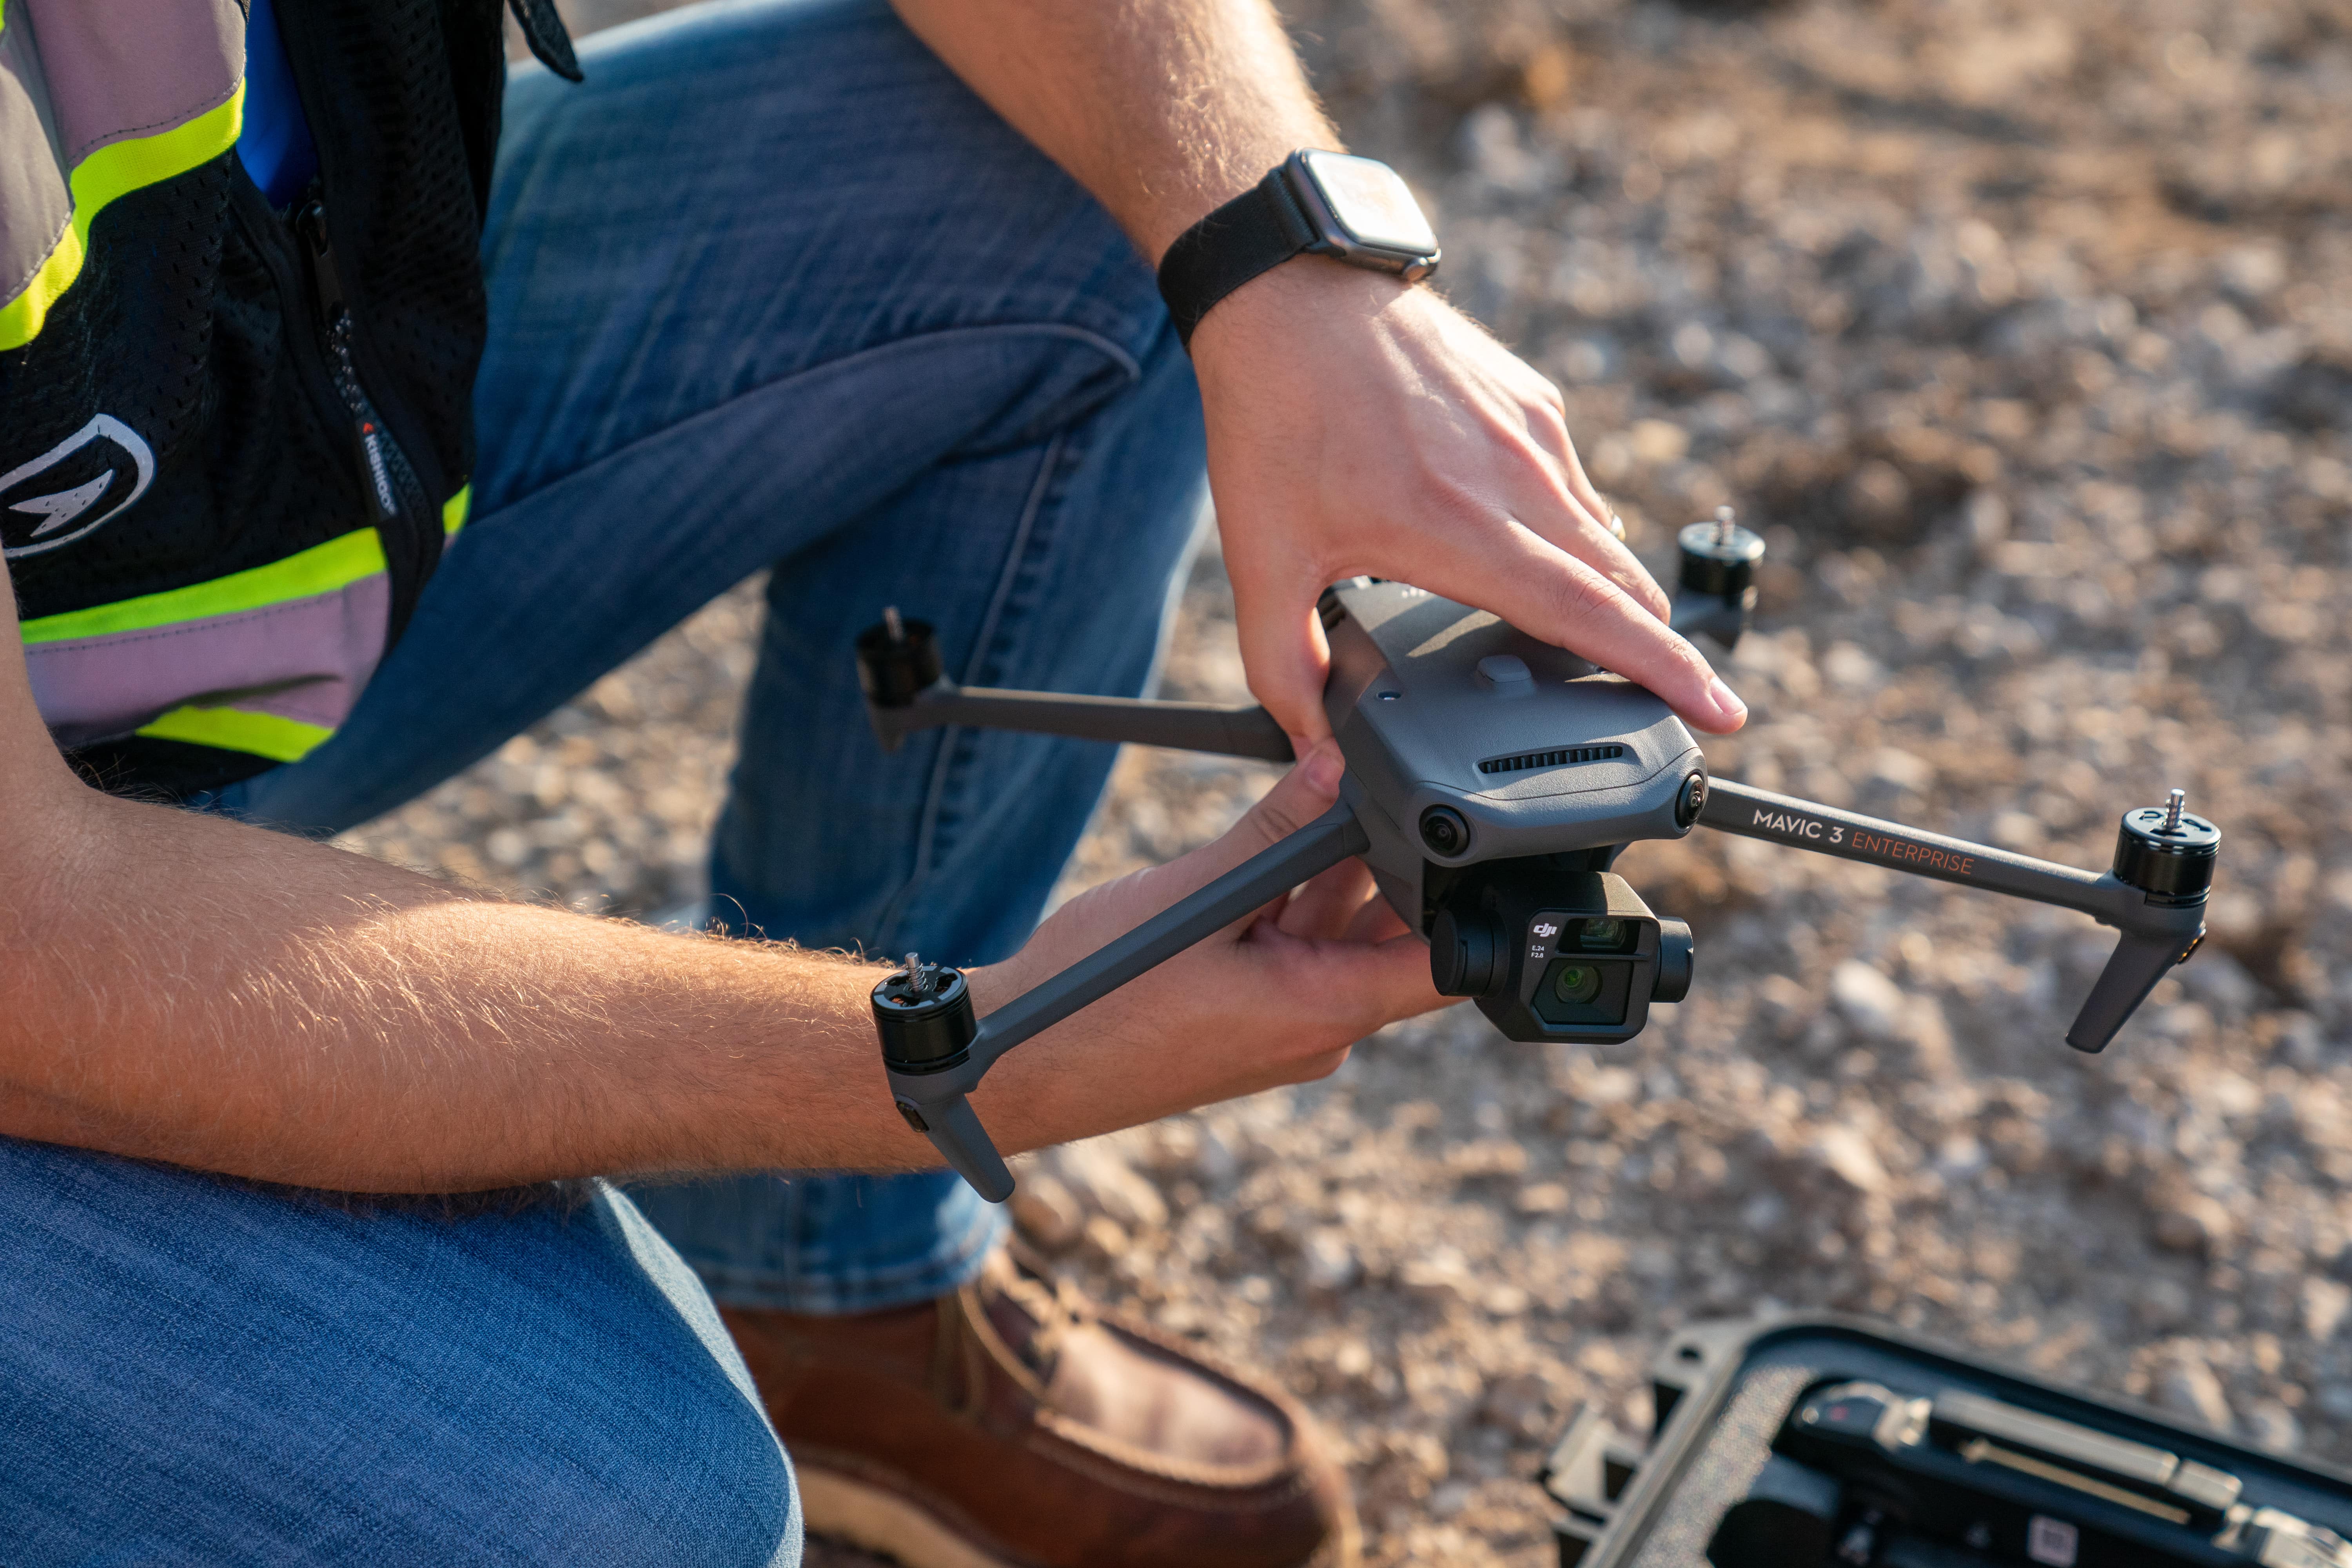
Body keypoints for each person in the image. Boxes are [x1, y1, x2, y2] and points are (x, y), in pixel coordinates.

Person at [0, 0, 1746, 1561]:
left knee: (1106, 181)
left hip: (247, 492)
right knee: (620, 1518)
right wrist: (954, 1052)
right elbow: (34, 946)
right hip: (41, 888)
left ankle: (824, 1289)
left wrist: (1280, 247)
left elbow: (1193, 168)